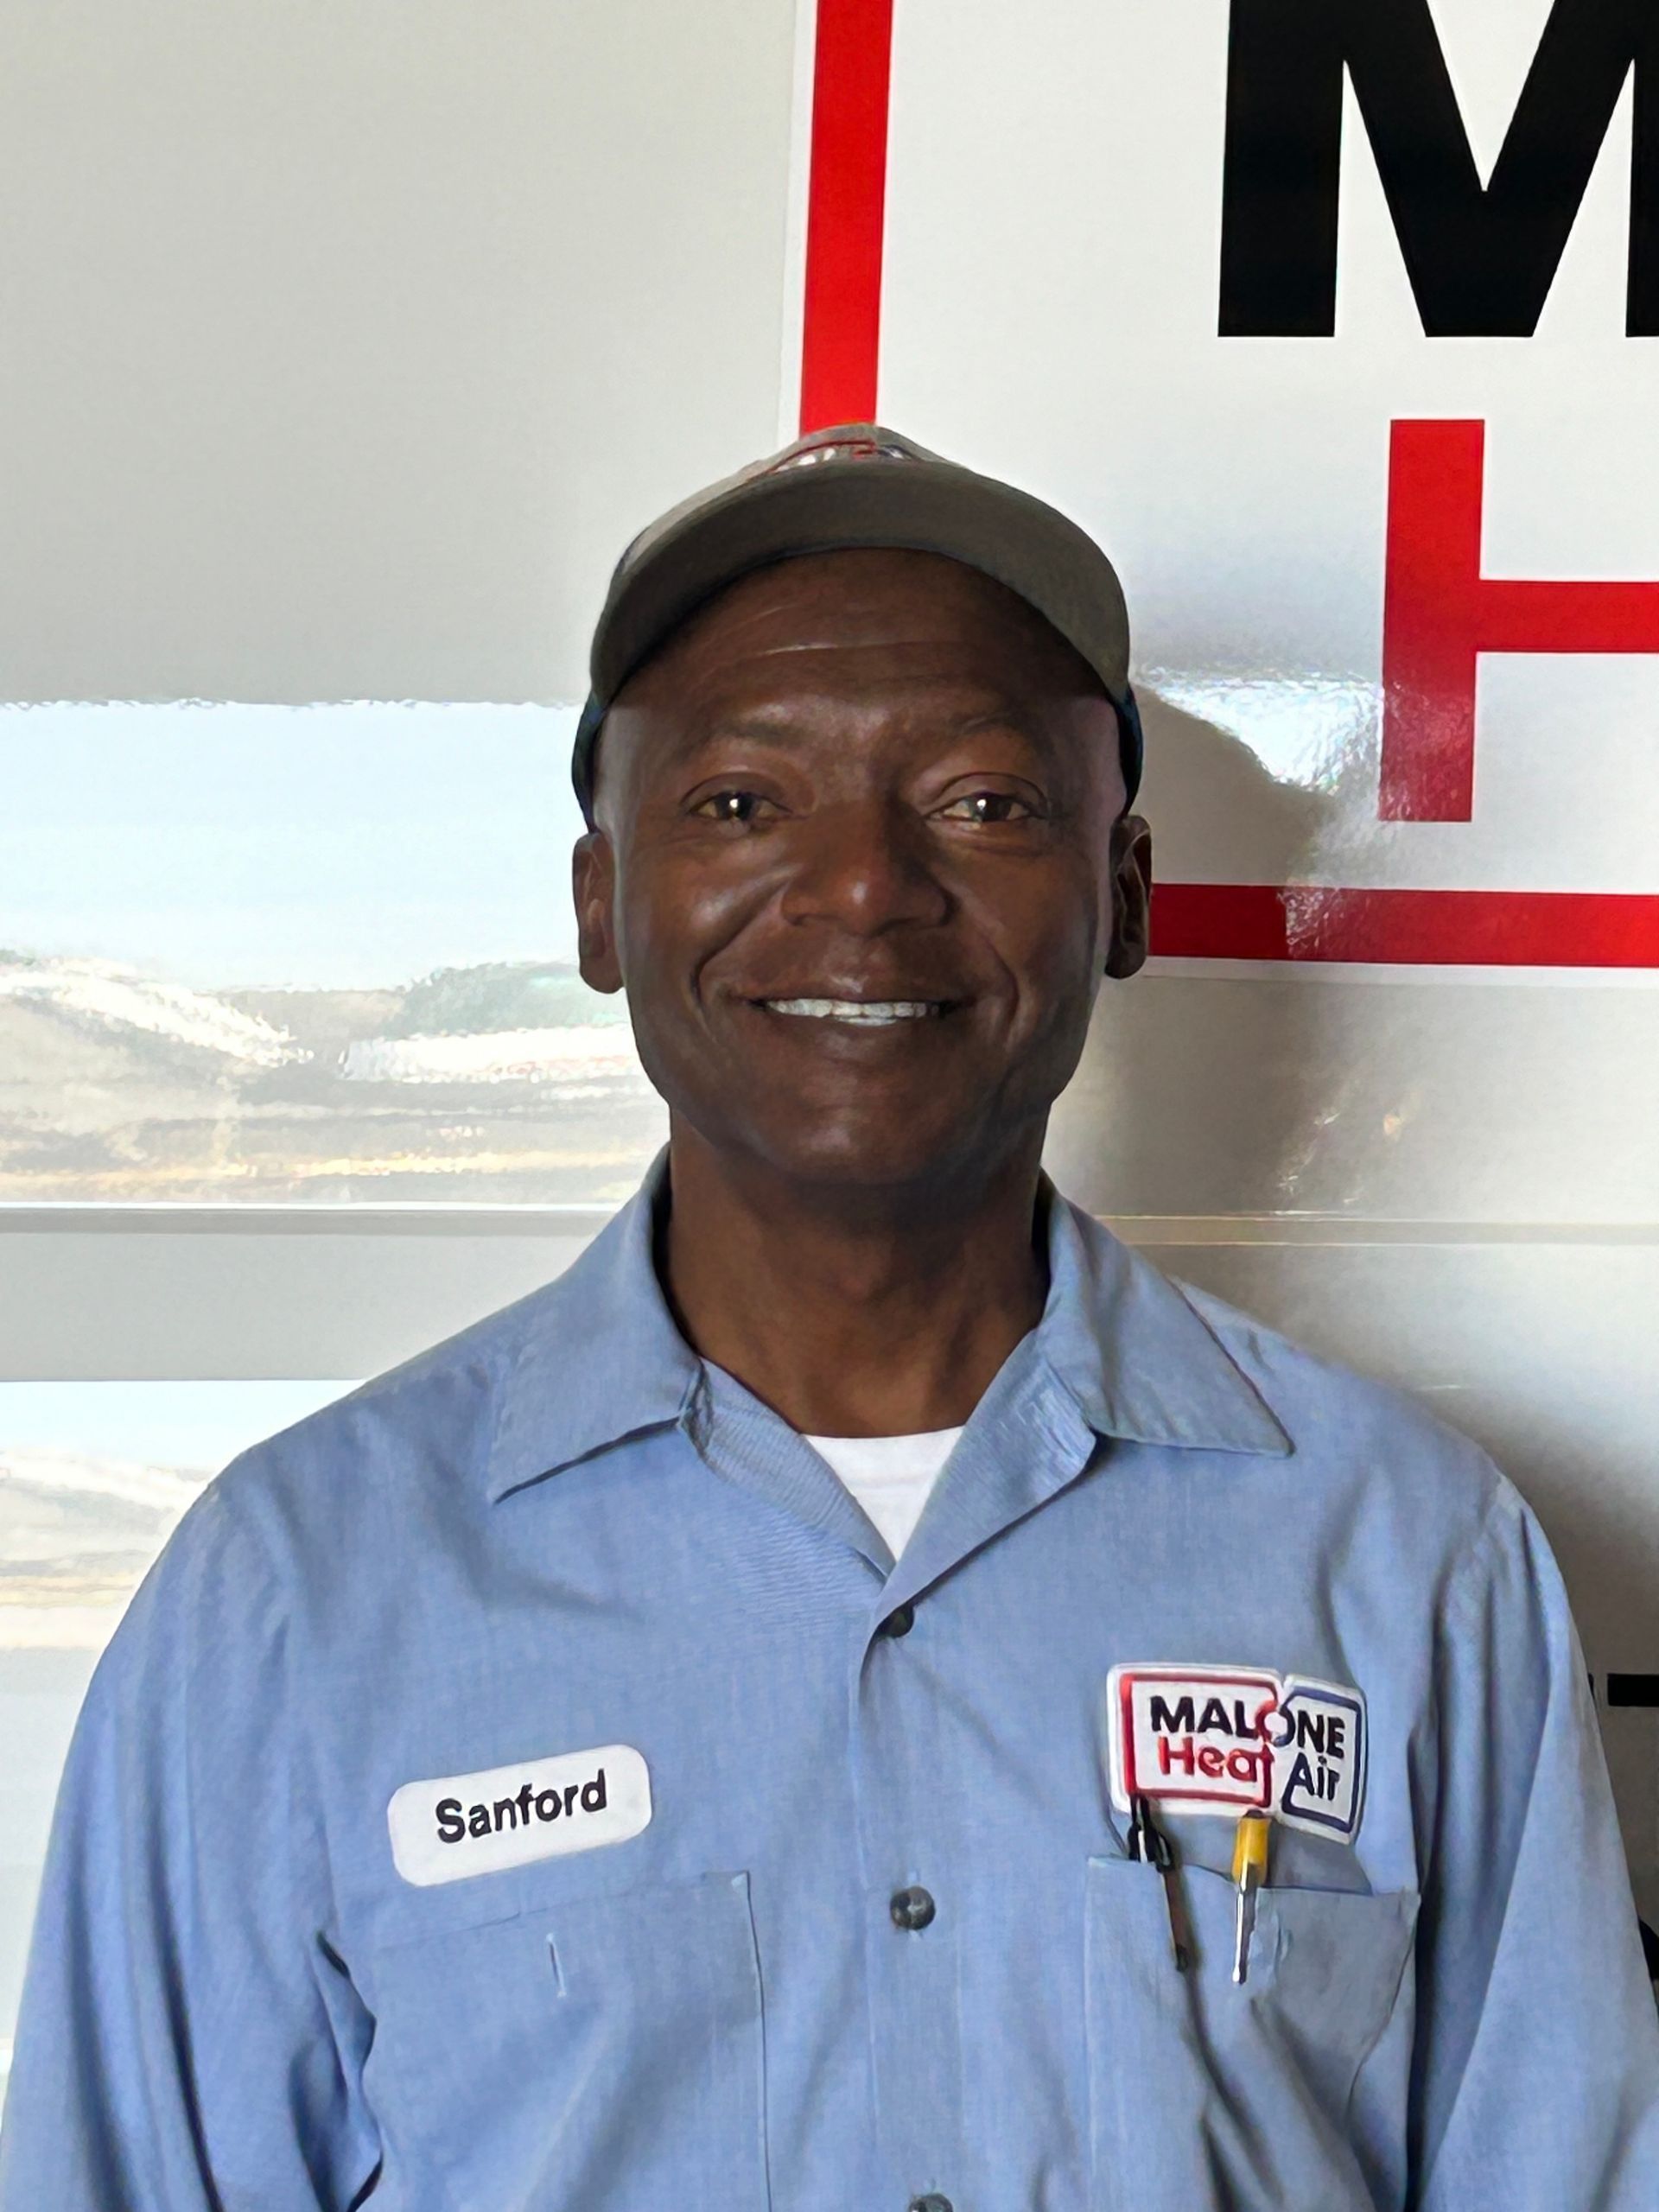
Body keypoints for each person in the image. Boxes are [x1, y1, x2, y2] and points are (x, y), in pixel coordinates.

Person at [2, 423, 1655, 2211]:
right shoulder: (296, 1591)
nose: (865, 883)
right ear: (599, 904)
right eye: (740, 802)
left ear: (1124, 896)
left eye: (983, 801)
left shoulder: (1408, 1553)